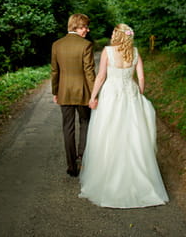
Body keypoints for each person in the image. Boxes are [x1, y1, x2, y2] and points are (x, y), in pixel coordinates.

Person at [79, 23, 169, 208]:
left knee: (109, 133)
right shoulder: (135, 52)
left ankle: (109, 179)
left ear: (117, 35)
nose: (111, 34)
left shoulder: (107, 51)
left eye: (113, 32)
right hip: (130, 95)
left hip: (111, 95)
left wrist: (93, 96)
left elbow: (101, 76)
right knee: (133, 135)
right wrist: (140, 93)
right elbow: (142, 78)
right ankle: (139, 180)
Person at [51, 14, 96, 177]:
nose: (87, 30)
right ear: (76, 27)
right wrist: (94, 94)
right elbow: (89, 72)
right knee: (85, 122)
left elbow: (55, 71)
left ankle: (71, 166)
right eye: (85, 27)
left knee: (67, 128)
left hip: (64, 92)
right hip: (83, 92)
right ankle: (82, 157)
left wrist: (55, 91)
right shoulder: (86, 45)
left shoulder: (57, 45)